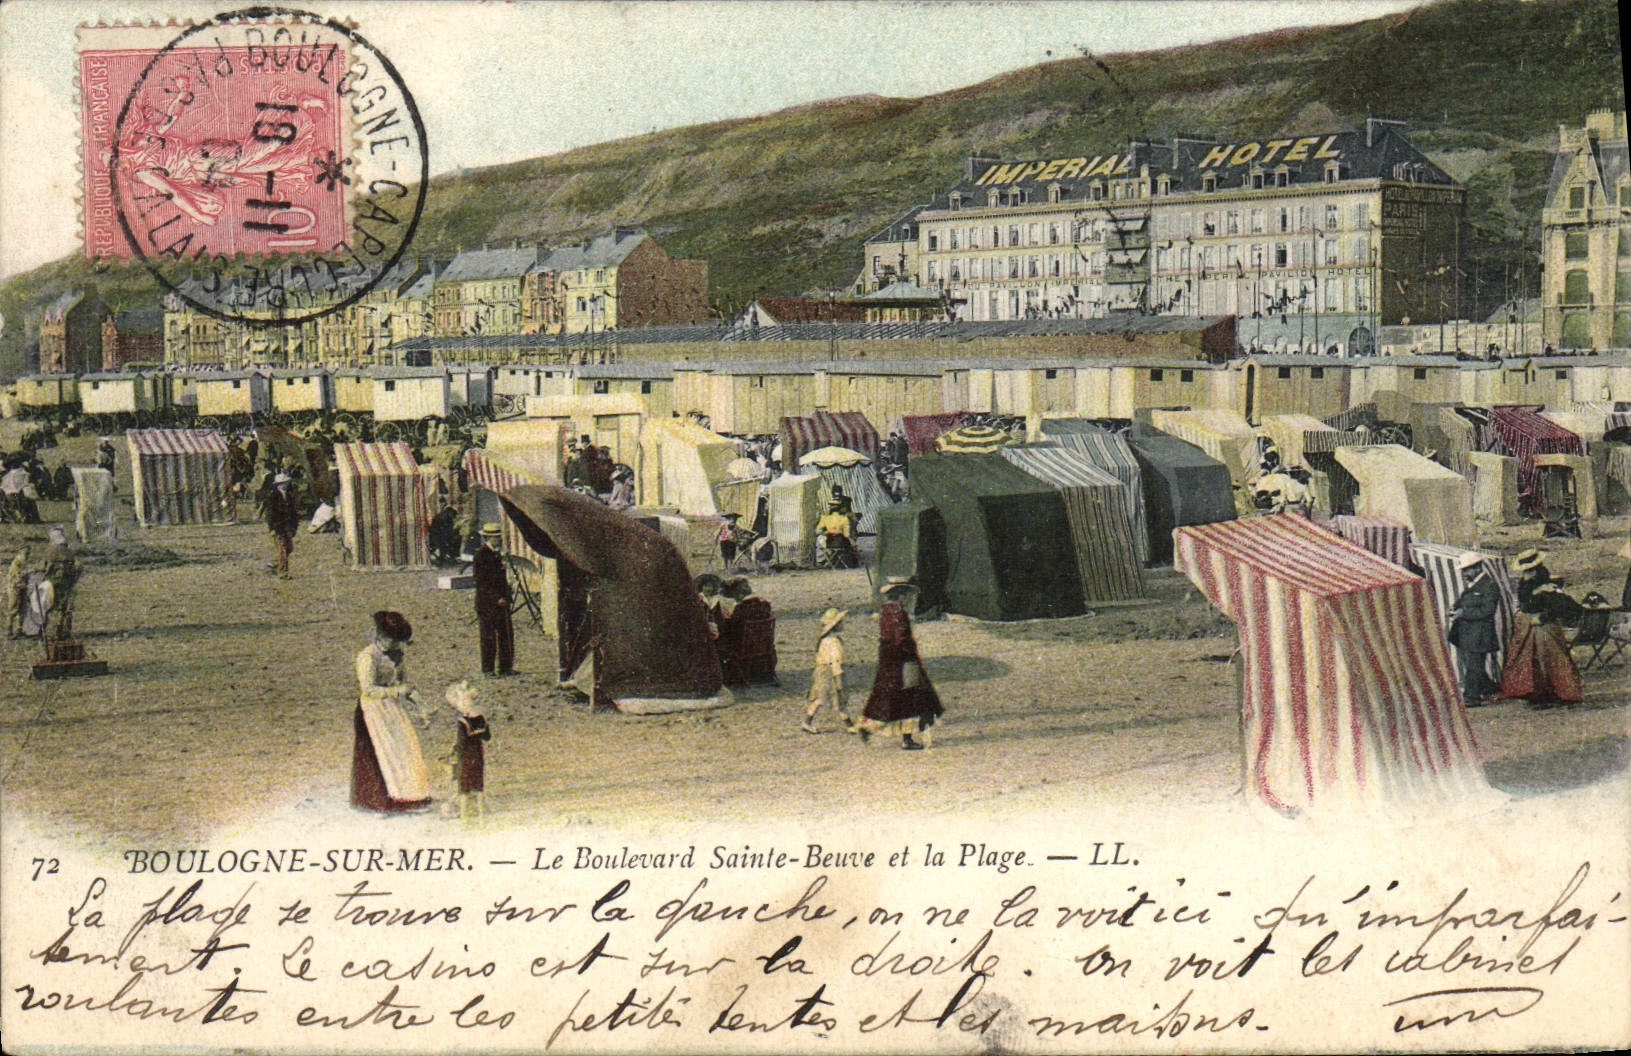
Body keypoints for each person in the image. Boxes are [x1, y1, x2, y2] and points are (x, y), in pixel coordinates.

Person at [352, 610, 433, 812]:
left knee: (405, 748)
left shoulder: (397, 655)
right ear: (381, 636)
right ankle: (379, 802)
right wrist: (397, 691)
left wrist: (420, 706)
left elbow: (405, 683)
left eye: (399, 642)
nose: (396, 645)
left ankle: (410, 797)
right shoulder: (368, 657)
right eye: (393, 640)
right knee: (383, 753)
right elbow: (368, 689)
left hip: (392, 708)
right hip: (372, 710)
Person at [860, 577, 944, 750]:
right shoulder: (899, 613)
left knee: (886, 695)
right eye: (904, 594)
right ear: (900, 595)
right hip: (903, 659)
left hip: (887, 659)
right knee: (911, 697)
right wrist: (911, 655)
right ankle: (907, 739)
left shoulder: (885, 611)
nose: (906, 598)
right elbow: (902, 639)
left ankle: (869, 727)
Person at [1498, 549, 1584, 709]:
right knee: (1534, 660)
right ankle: (1540, 693)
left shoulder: (1547, 584)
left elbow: (1560, 606)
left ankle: (1558, 693)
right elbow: (1525, 601)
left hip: (1544, 626)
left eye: (1529, 569)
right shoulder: (1527, 582)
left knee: (1550, 659)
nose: (1526, 572)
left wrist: (1542, 617)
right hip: (1532, 624)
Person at [1446, 550, 1501, 705]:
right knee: (1473, 665)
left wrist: (1463, 613)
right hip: (1467, 634)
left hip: (1480, 634)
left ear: (1477, 568)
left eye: (1466, 569)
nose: (1464, 573)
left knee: (1473, 666)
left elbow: (1488, 611)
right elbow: (1463, 602)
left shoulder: (1489, 585)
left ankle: (1471, 698)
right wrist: (1455, 608)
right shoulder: (1474, 585)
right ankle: (1489, 689)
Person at [441, 679, 490, 820]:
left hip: (466, 757)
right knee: (478, 786)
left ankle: (464, 816)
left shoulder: (462, 722)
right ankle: (481, 814)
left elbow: (461, 743)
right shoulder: (481, 718)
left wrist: (454, 752)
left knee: (464, 788)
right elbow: (487, 737)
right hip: (478, 754)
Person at [718, 577, 777, 686]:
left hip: (744, 646)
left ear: (737, 594)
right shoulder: (764, 604)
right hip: (764, 644)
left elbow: (731, 628)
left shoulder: (741, 608)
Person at [473, 523, 514, 676]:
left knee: (506, 635)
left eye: (499, 537)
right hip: (487, 603)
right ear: (488, 538)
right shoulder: (481, 555)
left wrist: (507, 594)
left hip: (502, 601)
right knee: (488, 637)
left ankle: (506, 667)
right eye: (496, 538)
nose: (499, 540)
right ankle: (488, 669)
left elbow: (501, 580)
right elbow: (481, 583)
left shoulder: (497, 554)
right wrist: (496, 598)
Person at [802, 607, 850, 733]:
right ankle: (807, 722)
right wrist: (838, 679)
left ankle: (849, 724)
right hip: (829, 673)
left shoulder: (825, 640)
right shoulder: (834, 643)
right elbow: (835, 662)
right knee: (832, 697)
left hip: (821, 671)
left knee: (825, 699)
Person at [41, 526, 78, 639]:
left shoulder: (51, 552)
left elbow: (47, 567)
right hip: (66, 582)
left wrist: (44, 576)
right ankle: (61, 629)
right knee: (63, 607)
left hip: (53, 582)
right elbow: (75, 568)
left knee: (49, 605)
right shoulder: (69, 552)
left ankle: (45, 630)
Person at [265, 472, 301, 579]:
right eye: (284, 483)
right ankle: (283, 573)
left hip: (288, 527)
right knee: (283, 550)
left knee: (289, 548)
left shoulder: (289, 496)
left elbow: (294, 512)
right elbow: (270, 514)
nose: (286, 485)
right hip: (279, 527)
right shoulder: (273, 496)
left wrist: (294, 527)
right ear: (278, 485)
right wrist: (272, 528)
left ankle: (273, 564)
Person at [6, 545, 30, 639]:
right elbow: (18, 576)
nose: (27, 555)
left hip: (20, 588)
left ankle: (19, 629)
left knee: (22, 609)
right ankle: (9, 631)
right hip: (15, 588)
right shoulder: (17, 562)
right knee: (13, 609)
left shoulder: (22, 562)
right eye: (26, 553)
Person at [428, 500, 461, 567]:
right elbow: (446, 532)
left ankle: (447, 558)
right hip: (438, 537)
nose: (454, 517)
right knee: (455, 540)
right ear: (450, 513)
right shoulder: (444, 518)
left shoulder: (443, 516)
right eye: (453, 515)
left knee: (455, 539)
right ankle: (447, 559)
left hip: (437, 536)